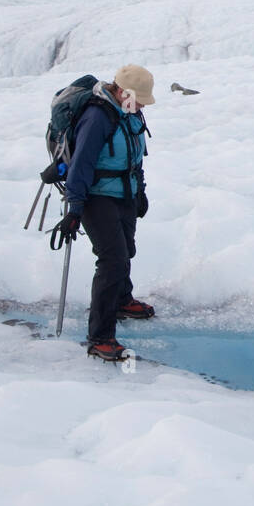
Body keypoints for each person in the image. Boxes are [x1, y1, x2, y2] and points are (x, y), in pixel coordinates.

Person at [53, 66, 157, 362]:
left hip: (125, 192)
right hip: (96, 197)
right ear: (123, 92)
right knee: (112, 261)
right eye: (139, 100)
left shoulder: (131, 113)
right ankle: (100, 337)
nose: (142, 106)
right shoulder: (98, 117)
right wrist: (74, 209)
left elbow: (136, 156)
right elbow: (82, 164)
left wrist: (140, 191)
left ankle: (122, 300)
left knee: (127, 250)